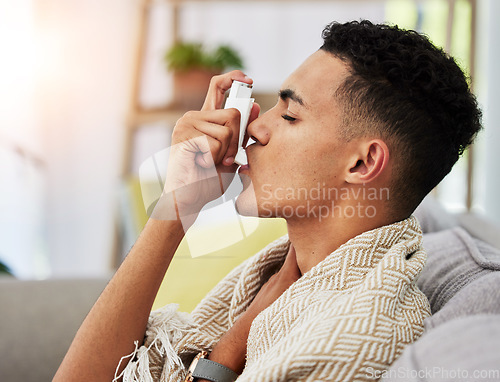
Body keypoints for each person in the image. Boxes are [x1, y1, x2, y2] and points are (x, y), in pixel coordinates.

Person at [54, 20, 482, 382]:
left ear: (363, 162)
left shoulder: (356, 338)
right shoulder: (281, 274)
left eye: (290, 115)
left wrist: (226, 353)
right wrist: (177, 208)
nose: (254, 129)